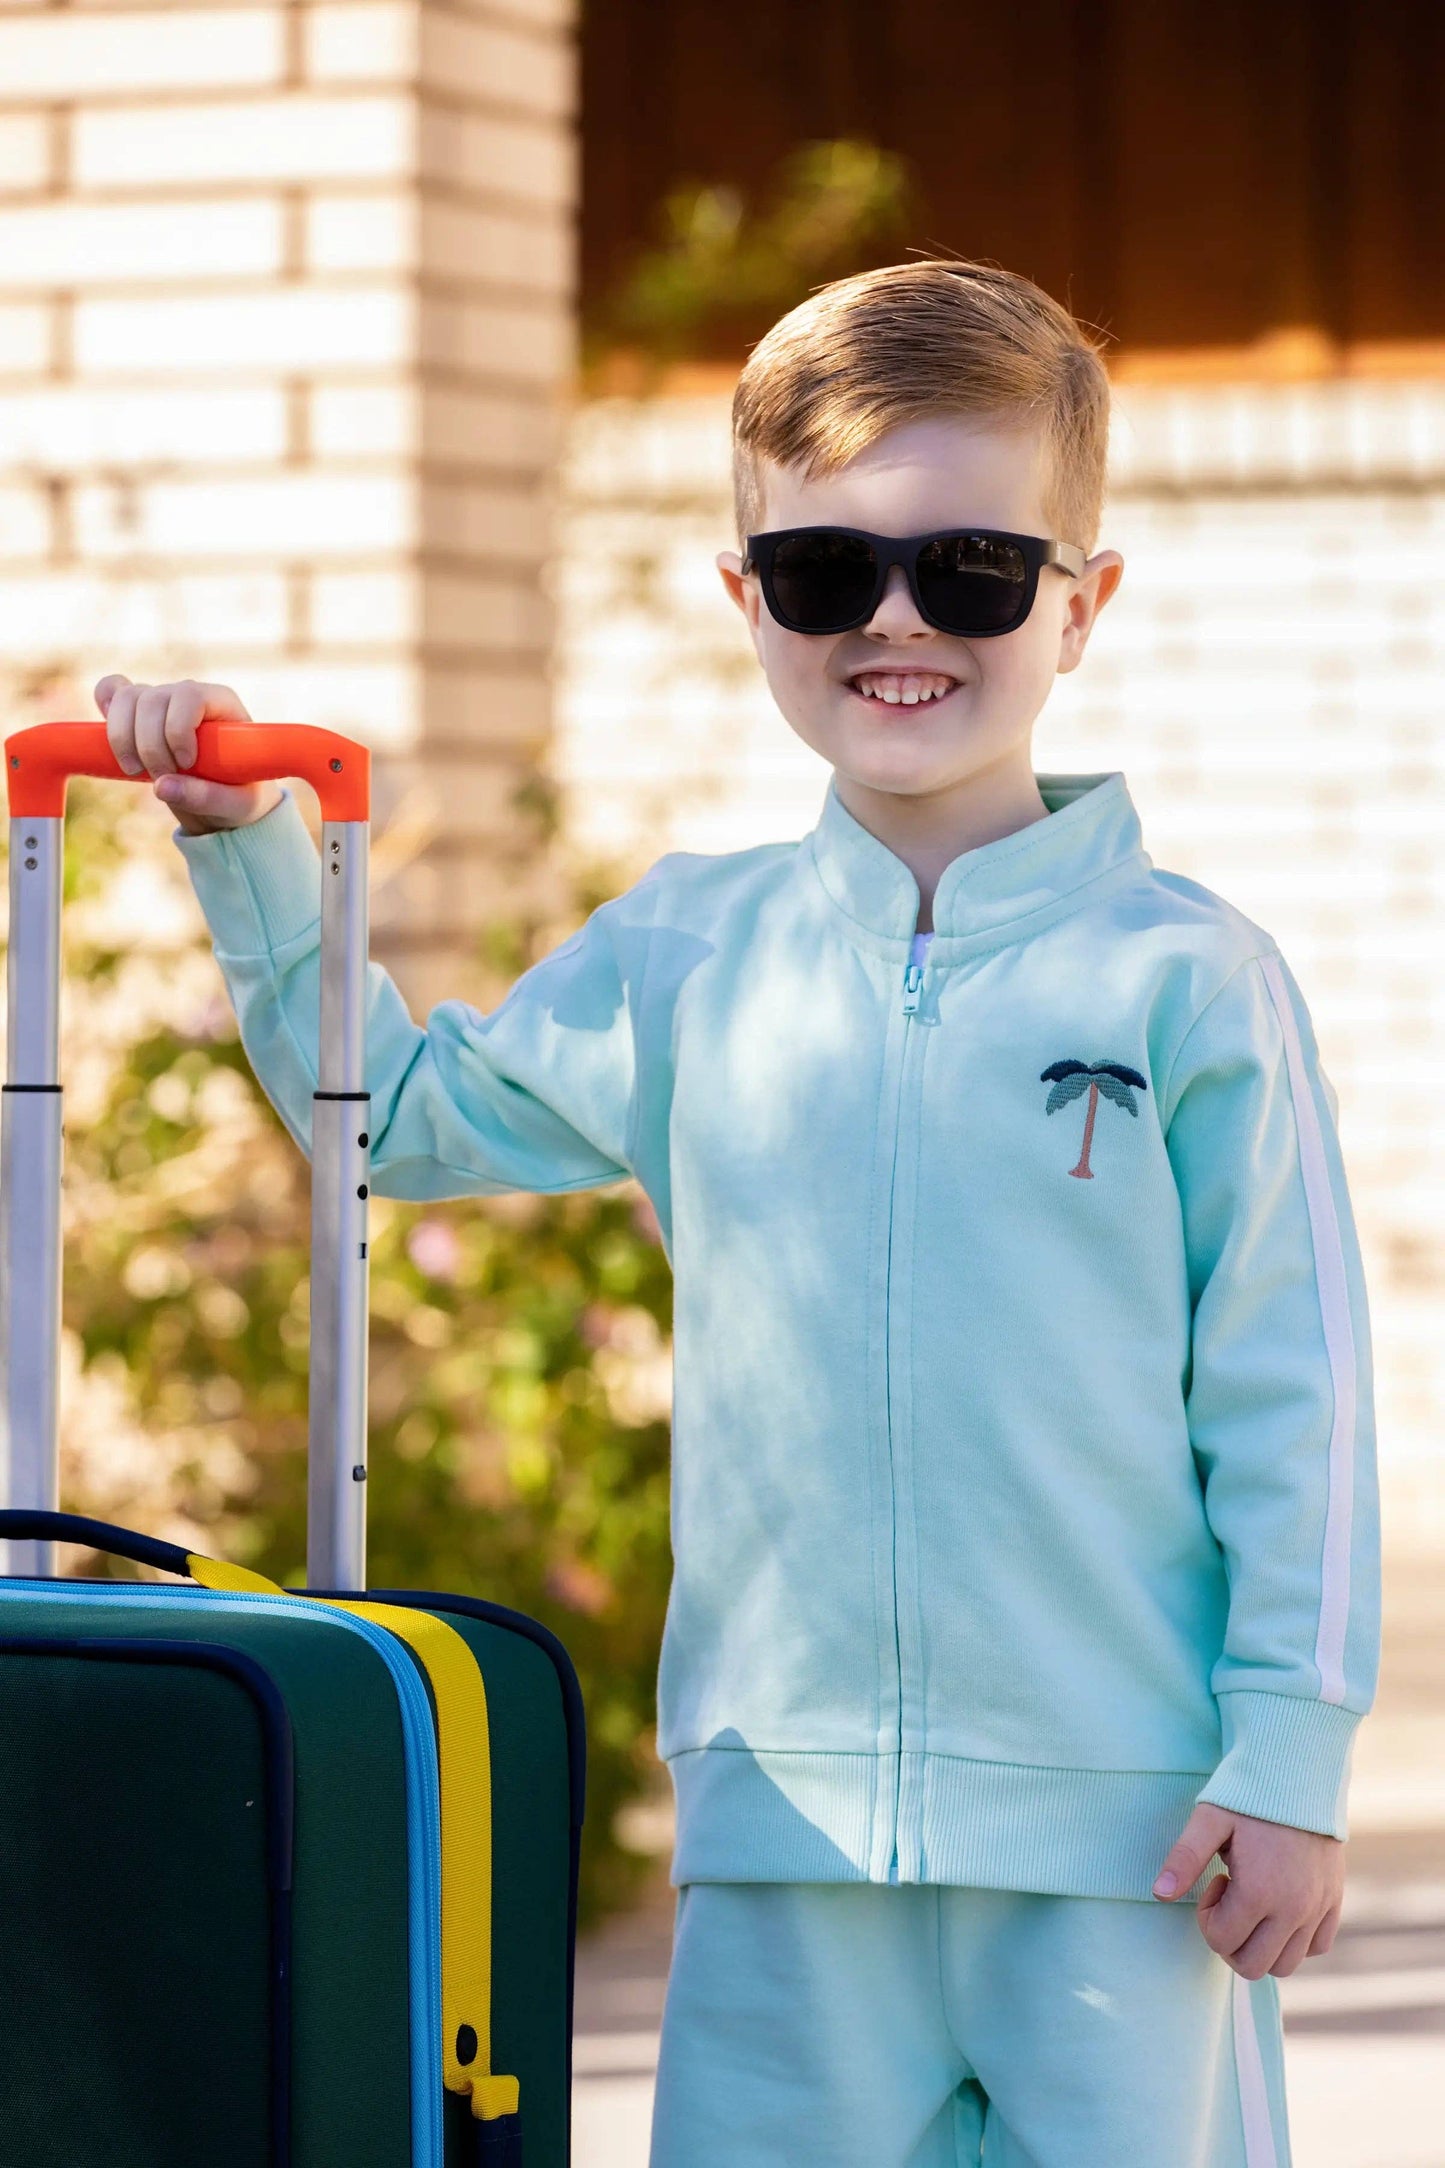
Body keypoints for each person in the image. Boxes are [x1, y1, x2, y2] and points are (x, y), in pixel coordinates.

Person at [96, 257, 1379, 2167]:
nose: (893, 621)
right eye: (822, 572)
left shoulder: (1186, 979)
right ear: (745, 597)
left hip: (1130, 1840)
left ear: (1079, 603)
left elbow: (1291, 1397)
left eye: (970, 571)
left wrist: (1285, 1757)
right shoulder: (692, 952)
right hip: (784, 1831)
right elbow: (398, 1125)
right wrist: (249, 846)